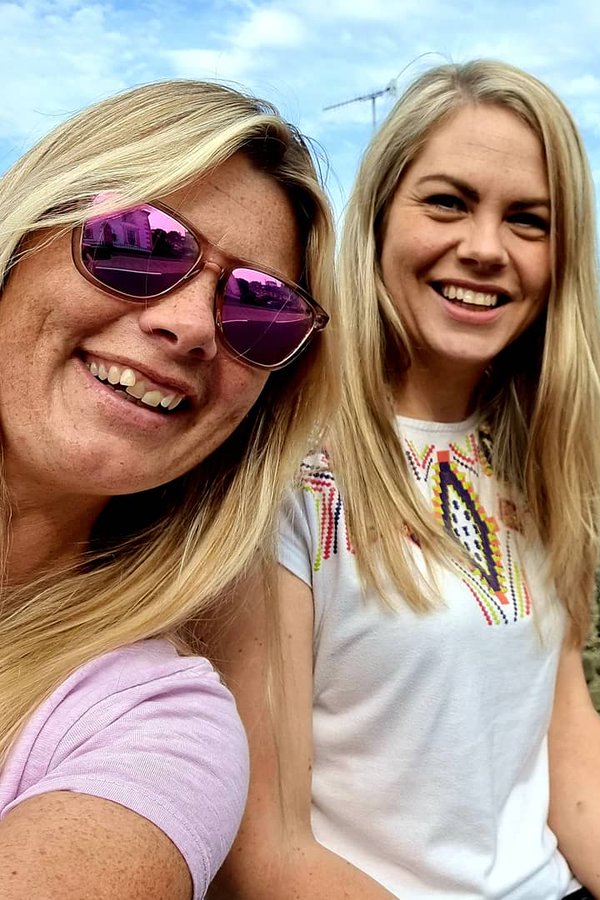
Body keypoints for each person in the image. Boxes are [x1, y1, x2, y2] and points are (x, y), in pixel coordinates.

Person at [210, 60, 600, 900]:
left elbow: (560, 726)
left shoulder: (537, 457)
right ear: (378, 217)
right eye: (447, 202)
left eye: (529, 220)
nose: (485, 248)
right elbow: (267, 852)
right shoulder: (284, 467)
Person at [0, 80, 336, 900]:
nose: (189, 326)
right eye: (138, 243)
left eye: (260, 308)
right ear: (22, 238)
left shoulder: (160, 723)